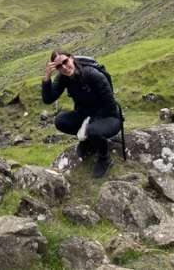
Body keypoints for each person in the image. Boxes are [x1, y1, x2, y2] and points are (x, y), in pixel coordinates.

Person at [42, 50, 121, 178]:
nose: (64, 67)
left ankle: (104, 158)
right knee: (60, 121)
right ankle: (89, 141)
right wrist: (46, 78)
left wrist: (89, 124)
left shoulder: (92, 74)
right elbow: (48, 99)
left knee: (93, 130)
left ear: (71, 58)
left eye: (65, 62)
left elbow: (110, 106)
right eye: (58, 66)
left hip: (109, 117)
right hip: (86, 115)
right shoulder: (63, 77)